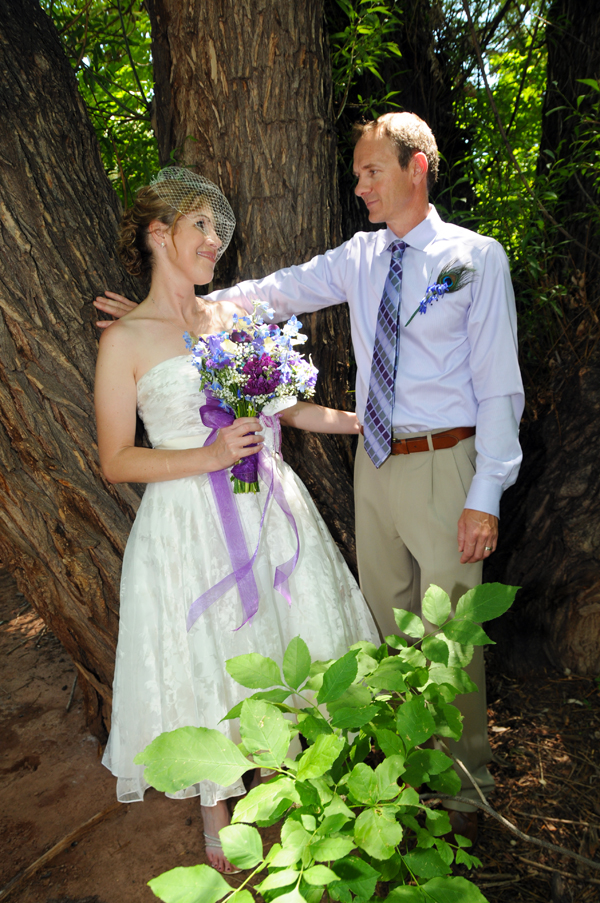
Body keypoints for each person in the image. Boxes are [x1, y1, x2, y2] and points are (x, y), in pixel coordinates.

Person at [95, 113, 524, 843]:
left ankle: (464, 793)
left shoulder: (475, 258)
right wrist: (168, 316)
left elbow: (500, 388)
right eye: (356, 174)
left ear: (417, 167)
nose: (359, 187)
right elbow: (276, 292)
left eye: (371, 172)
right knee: (386, 628)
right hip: (374, 466)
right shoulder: (359, 257)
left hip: (448, 460)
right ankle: (398, 781)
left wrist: (486, 493)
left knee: (451, 632)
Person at [94, 167, 379, 873]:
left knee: (283, 635)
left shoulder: (228, 320)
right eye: (200, 225)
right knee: (209, 648)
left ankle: (301, 777)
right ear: (159, 234)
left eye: (217, 229)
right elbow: (116, 460)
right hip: (186, 519)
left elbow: (287, 408)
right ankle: (214, 802)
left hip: (266, 506)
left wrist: (366, 421)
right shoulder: (124, 340)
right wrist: (210, 454)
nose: (214, 240)